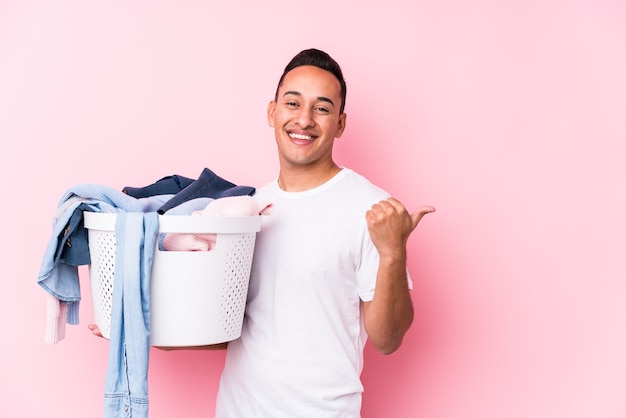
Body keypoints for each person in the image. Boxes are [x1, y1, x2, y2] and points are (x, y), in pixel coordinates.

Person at [90, 48, 435, 417]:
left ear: (340, 123)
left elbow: (388, 340)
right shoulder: (247, 208)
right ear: (273, 113)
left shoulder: (371, 210)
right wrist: (145, 331)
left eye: (321, 108)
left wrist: (393, 253)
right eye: (292, 103)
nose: (304, 119)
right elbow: (233, 328)